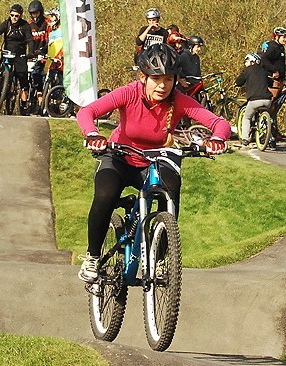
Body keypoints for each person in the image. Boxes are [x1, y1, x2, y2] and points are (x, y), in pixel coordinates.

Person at [74, 43, 231, 284]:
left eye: (168, 79)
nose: (162, 85)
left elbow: (219, 123)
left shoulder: (179, 100)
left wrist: (218, 139)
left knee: (171, 186)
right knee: (105, 194)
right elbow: (87, 112)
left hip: (155, 159)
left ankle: (160, 259)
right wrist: (93, 135)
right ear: (143, 77)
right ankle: (93, 257)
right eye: (156, 78)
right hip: (120, 156)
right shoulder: (129, 92)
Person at [0, 4, 34, 105]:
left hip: (20, 55)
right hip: (7, 53)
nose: (14, 18)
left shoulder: (25, 26)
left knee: (22, 78)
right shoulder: (6, 24)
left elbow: (30, 40)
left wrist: (30, 53)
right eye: (12, 15)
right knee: (0, 73)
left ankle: (24, 103)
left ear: (20, 16)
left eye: (16, 16)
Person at [235, 53, 272, 149]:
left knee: (246, 117)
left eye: (246, 61)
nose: (245, 63)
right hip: (267, 100)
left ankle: (245, 139)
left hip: (254, 100)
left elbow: (239, 82)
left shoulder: (247, 71)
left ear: (252, 61)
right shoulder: (264, 71)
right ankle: (270, 138)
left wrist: (237, 84)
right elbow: (270, 83)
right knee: (266, 118)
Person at [258, 26, 286, 99]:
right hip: (272, 79)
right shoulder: (272, 47)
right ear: (277, 37)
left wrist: (284, 77)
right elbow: (264, 59)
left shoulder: (280, 47)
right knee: (271, 100)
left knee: (276, 103)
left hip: (279, 80)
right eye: (284, 37)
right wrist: (274, 70)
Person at [28, 0, 48, 99]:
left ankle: (44, 99)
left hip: (45, 54)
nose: (35, 15)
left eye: (36, 13)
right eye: (32, 13)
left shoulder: (47, 23)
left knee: (41, 75)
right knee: (32, 76)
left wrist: (44, 50)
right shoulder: (29, 24)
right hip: (33, 55)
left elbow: (51, 39)